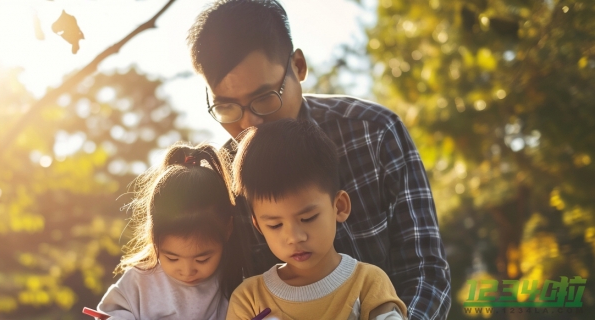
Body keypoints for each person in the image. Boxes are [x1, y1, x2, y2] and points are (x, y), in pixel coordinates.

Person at [187, 1, 451, 318]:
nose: (248, 123)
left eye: (264, 98)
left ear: (298, 66)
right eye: (227, 107)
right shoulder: (224, 178)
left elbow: (426, 273)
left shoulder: (375, 133)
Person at [227, 119, 407, 320]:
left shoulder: (369, 283)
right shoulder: (250, 298)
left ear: (339, 206)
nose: (294, 237)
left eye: (308, 218)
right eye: (275, 225)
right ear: (258, 225)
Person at [96, 144, 251, 320]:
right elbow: (110, 313)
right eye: (172, 258)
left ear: (228, 229)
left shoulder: (236, 279)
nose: (187, 271)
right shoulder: (140, 280)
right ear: (154, 238)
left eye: (202, 259)